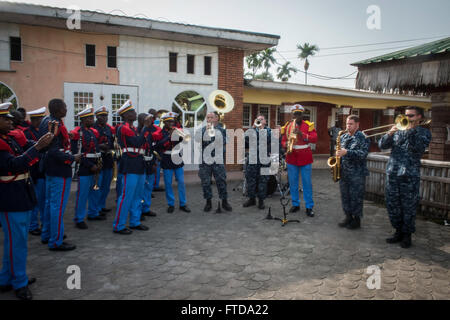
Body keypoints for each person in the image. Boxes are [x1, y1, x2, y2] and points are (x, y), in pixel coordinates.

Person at [0, 102, 54, 300]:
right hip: (10, 198)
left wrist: (41, 144)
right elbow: (14, 164)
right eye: (4, 118)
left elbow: (25, 151)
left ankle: (6, 278)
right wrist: (38, 147)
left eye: (9, 118)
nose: (9, 121)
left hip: (18, 195)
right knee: (18, 243)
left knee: (14, 241)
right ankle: (19, 282)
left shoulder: (8, 138)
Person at [379, 106, 431, 248]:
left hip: (409, 175)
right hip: (393, 173)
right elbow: (382, 145)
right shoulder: (397, 130)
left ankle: (407, 235)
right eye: (405, 115)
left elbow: (418, 147)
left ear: (419, 117)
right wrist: (389, 133)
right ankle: (397, 231)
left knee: (408, 206)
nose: (407, 118)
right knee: (392, 204)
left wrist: (410, 131)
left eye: (411, 116)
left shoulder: (424, 133)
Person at [39, 98, 79, 251]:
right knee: (58, 206)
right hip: (59, 170)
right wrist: (72, 158)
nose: (66, 109)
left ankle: (47, 234)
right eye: (64, 107)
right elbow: (53, 151)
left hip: (51, 170)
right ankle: (56, 241)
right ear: (57, 109)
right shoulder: (53, 124)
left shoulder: (48, 121)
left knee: (50, 204)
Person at [113, 100, 152, 234]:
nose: (135, 113)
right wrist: (145, 128)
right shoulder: (123, 127)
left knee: (137, 195)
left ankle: (135, 221)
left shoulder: (135, 129)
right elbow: (137, 142)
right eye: (132, 111)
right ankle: (119, 225)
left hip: (139, 163)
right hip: (129, 163)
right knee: (126, 196)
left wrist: (144, 129)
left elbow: (142, 144)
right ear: (126, 115)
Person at [281, 104, 318, 216]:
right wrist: (286, 144)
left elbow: (315, 139)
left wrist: (302, 134)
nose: (297, 116)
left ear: (302, 115)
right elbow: (283, 140)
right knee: (293, 183)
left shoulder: (309, 125)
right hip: (292, 157)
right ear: (292, 115)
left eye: (299, 114)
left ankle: (309, 206)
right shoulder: (288, 126)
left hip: (305, 157)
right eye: (295, 114)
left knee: (307, 183)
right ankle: (295, 204)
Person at [70, 106, 104, 229]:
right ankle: (79, 218)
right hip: (85, 167)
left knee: (95, 191)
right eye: (90, 118)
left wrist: (99, 163)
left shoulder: (91, 131)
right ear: (84, 119)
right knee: (82, 195)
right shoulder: (77, 133)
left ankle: (93, 213)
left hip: (95, 165)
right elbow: (77, 152)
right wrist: (91, 165)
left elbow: (96, 149)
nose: (92, 120)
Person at [336, 115, 369, 229]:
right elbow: (340, 152)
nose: (348, 126)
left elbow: (363, 154)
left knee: (356, 197)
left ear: (357, 125)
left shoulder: (362, 137)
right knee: (345, 196)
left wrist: (347, 152)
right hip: (344, 172)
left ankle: (357, 219)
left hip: (357, 173)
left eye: (350, 124)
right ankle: (348, 216)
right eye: (347, 124)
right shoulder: (343, 137)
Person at [156, 112, 190, 213]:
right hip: (166, 158)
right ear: (165, 122)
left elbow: (186, 141)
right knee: (168, 183)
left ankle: (183, 203)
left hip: (177, 157)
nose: (171, 123)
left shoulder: (177, 131)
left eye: (172, 121)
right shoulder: (160, 133)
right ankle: (171, 204)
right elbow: (159, 145)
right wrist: (168, 136)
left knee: (181, 182)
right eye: (169, 121)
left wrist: (181, 135)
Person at [198, 111, 232, 212]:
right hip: (205, 161)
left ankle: (224, 202)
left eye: (211, 118)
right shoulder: (202, 130)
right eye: (207, 118)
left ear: (216, 119)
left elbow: (226, 141)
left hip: (218, 160)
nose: (209, 120)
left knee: (221, 181)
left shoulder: (222, 130)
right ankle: (208, 202)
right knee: (206, 182)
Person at [23, 107, 47, 236]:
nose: (42, 122)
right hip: (34, 171)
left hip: (42, 170)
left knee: (43, 199)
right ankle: (33, 225)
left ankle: (43, 222)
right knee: (35, 200)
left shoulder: (43, 132)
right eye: (40, 119)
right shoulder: (27, 133)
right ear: (34, 120)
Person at [243, 114, 272, 210]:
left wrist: (261, 129)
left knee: (263, 180)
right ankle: (251, 199)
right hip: (252, 159)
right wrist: (253, 127)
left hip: (264, 160)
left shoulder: (269, 131)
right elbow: (245, 140)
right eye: (258, 119)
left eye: (261, 119)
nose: (259, 120)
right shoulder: (252, 130)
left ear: (265, 122)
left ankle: (261, 200)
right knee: (250, 179)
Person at [138, 112, 162, 218]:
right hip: (140, 163)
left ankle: (146, 208)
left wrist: (153, 163)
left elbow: (152, 148)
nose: (149, 121)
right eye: (146, 119)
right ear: (140, 121)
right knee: (140, 189)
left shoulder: (149, 131)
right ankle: (139, 210)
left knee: (148, 187)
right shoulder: (137, 131)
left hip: (150, 161)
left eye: (149, 120)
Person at [93, 106, 115, 215]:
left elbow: (113, 142)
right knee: (98, 185)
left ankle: (101, 206)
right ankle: (95, 208)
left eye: (106, 115)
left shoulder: (109, 128)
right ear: (97, 116)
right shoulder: (93, 127)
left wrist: (110, 146)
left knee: (106, 186)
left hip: (108, 159)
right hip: (98, 159)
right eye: (102, 116)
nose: (104, 118)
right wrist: (100, 146)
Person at [148, 108, 164, 192]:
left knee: (157, 169)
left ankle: (155, 186)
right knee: (151, 171)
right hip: (149, 150)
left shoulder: (156, 124)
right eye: (154, 114)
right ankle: (150, 188)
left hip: (156, 149)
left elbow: (159, 133)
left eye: (155, 115)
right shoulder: (146, 125)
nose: (155, 116)